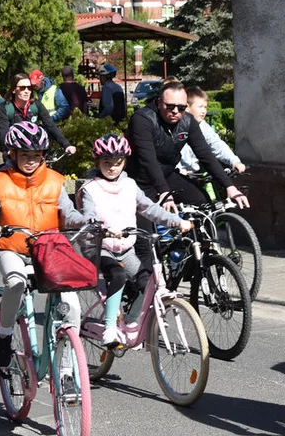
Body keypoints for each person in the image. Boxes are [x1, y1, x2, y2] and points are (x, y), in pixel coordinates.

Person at [0, 122, 89, 375]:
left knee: (72, 304)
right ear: (12, 154)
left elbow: (68, 213)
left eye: (36, 156)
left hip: (49, 248)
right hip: (11, 247)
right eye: (24, 155)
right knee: (15, 283)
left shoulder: (56, 181)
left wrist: (85, 220)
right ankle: (4, 338)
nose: (30, 161)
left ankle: (68, 368)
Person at [77, 134, 191, 345]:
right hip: (99, 247)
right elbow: (89, 215)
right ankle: (109, 329)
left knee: (148, 284)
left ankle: (130, 322)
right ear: (97, 162)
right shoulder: (90, 189)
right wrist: (103, 228)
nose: (112, 167)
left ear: (124, 162)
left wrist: (175, 221)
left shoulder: (130, 185)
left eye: (117, 163)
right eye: (106, 163)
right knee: (118, 275)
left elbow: (149, 208)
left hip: (125, 247)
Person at [126, 80, 247, 211]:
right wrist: (165, 192)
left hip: (167, 174)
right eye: (170, 106)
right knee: (153, 220)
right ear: (160, 102)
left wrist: (230, 187)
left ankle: (199, 230)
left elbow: (204, 153)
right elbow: (148, 159)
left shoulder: (188, 121)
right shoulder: (143, 119)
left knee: (202, 201)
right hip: (140, 179)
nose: (176, 111)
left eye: (181, 108)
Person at [0, 73, 76, 157]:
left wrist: (66, 145)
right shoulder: (5, 108)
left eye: (29, 88)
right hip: (15, 153)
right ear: (13, 90)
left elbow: (50, 125)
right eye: (22, 88)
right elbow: (3, 133)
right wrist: (8, 150)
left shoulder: (36, 105)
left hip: (35, 151)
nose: (27, 91)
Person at [178, 86, 246, 176]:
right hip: (177, 174)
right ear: (187, 107)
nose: (203, 111)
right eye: (200, 107)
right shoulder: (177, 126)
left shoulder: (203, 126)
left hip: (195, 173)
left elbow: (216, 144)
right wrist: (178, 170)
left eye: (205, 107)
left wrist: (234, 161)